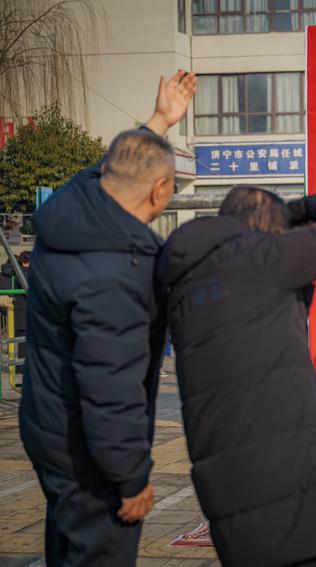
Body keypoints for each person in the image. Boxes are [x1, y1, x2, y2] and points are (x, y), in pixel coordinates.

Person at [18, 70, 196, 566]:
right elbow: (109, 389)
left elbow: (108, 169)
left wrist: (160, 119)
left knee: (67, 545)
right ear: (161, 192)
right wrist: (131, 478)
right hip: (87, 450)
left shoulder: (72, 210)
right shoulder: (118, 273)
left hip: (48, 423)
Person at [157, 187, 316, 566]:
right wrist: (300, 209)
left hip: (226, 472)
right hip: (284, 467)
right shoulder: (259, 256)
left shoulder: (184, 281)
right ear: (264, 226)